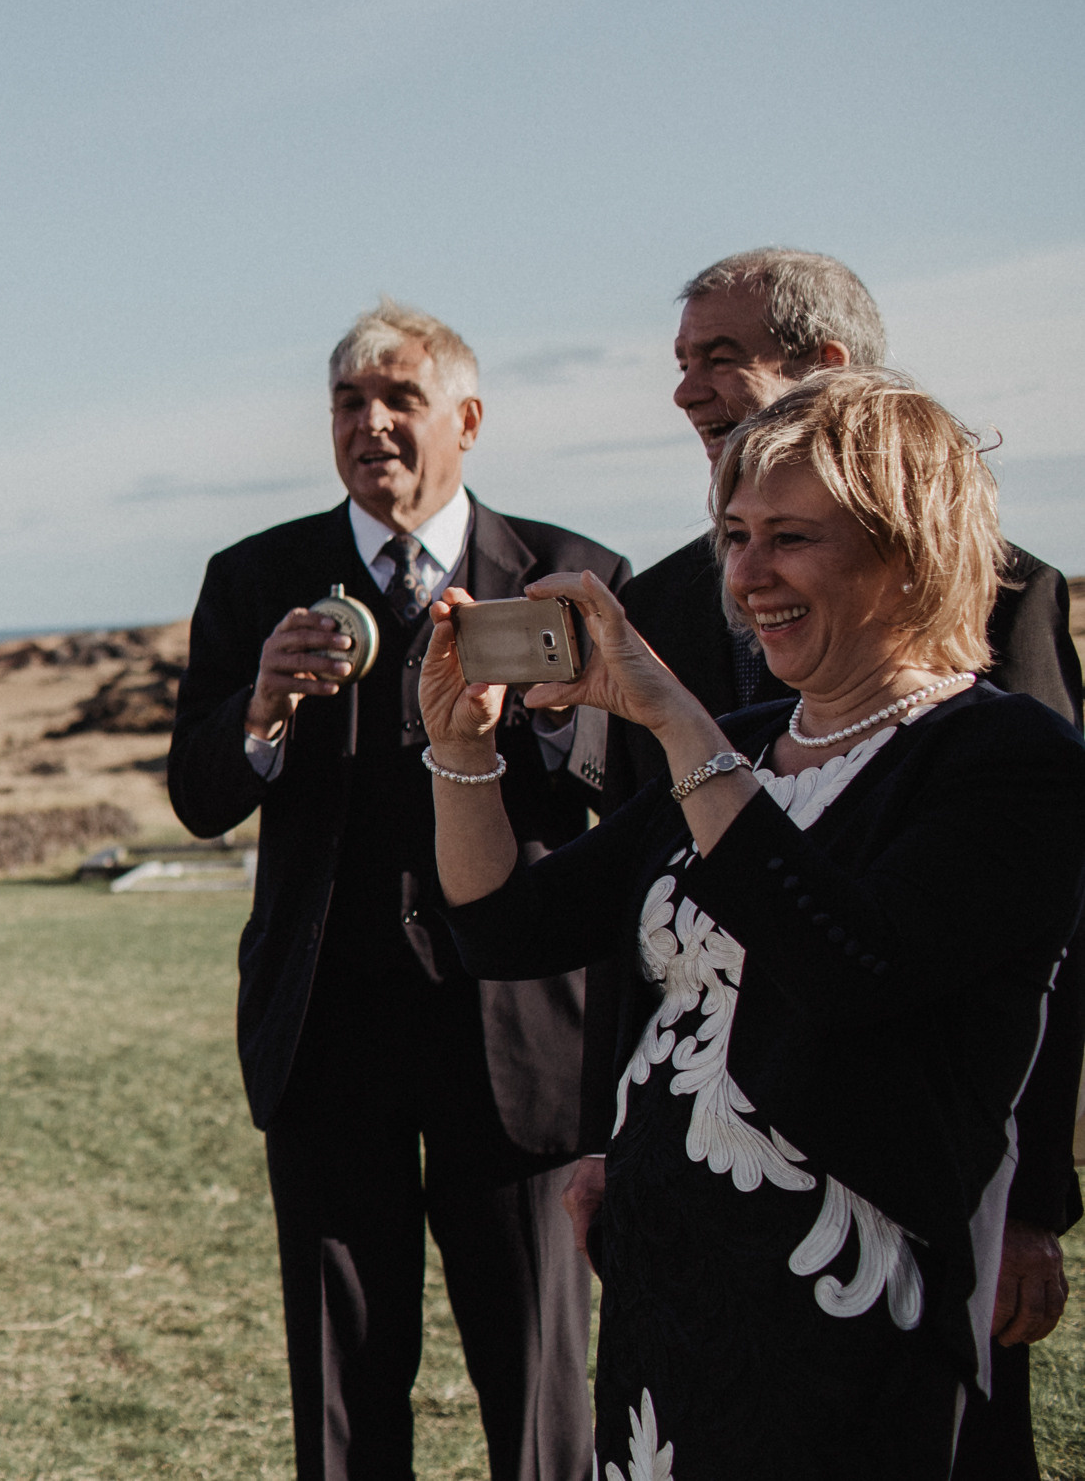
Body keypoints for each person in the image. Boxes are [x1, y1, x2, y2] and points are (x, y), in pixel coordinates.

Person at [426, 368, 1085, 1477]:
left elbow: (846, 968)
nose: (746, 576)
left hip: (853, 1317)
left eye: (789, 537)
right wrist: (459, 751)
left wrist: (677, 723)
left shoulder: (1004, 760)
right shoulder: (739, 741)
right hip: (670, 1304)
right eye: (733, 535)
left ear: (907, 546)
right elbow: (505, 927)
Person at [167, 299, 626, 1481]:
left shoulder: (571, 577)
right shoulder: (255, 577)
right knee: (341, 1387)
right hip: (327, 1031)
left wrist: (556, 712)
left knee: (539, 1386)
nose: (369, 423)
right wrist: (257, 710)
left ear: (465, 420)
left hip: (517, 1032)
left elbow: (621, 797)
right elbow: (199, 794)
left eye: (399, 399)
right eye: (347, 403)